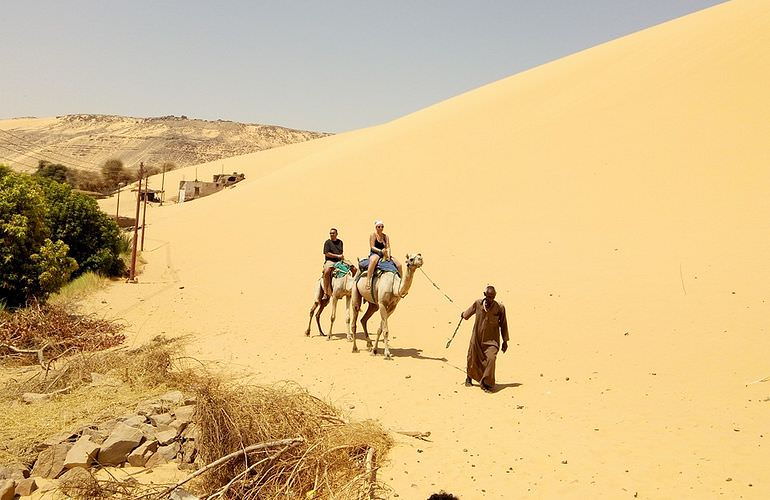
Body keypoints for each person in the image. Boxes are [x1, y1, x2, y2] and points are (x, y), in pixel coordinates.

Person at [461, 285, 509, 392]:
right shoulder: (478, 304)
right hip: (477, 338)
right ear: (484, 295)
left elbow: (504, 324)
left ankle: (487, 383)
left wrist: (505, 341)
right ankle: (469, 377)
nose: (490, 299)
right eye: (488, 297)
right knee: (472, 357)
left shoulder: (500, 308)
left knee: (491, 359)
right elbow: (466, 315)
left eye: (492, 297)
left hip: (492, 341)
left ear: (495, 296)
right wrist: (463, 315)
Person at [365, 220, 402, 290]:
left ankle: (401, 281)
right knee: (373, 261)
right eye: (379, 227)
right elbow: (372, 246)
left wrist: (388, 255)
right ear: (376, 227)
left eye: (382, 226)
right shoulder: (373, 235)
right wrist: (380, 251)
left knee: (399, 265)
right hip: (376, 253)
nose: (380, 228)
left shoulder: (385, 236)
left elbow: (388, 247)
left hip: (384, 254)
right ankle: (368, 280)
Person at [322, 228, 344, 299]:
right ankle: (325, 292)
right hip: (330, 261)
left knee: (353, 269)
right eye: (330, 233)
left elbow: (341, 252)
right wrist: (337, 256)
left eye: (333, 233)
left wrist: (341, 258)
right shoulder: (327, 242)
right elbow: (326, 253)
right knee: (327, 271)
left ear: (336, 234)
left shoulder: (340, 242)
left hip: (339, 261)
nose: (331, 234)